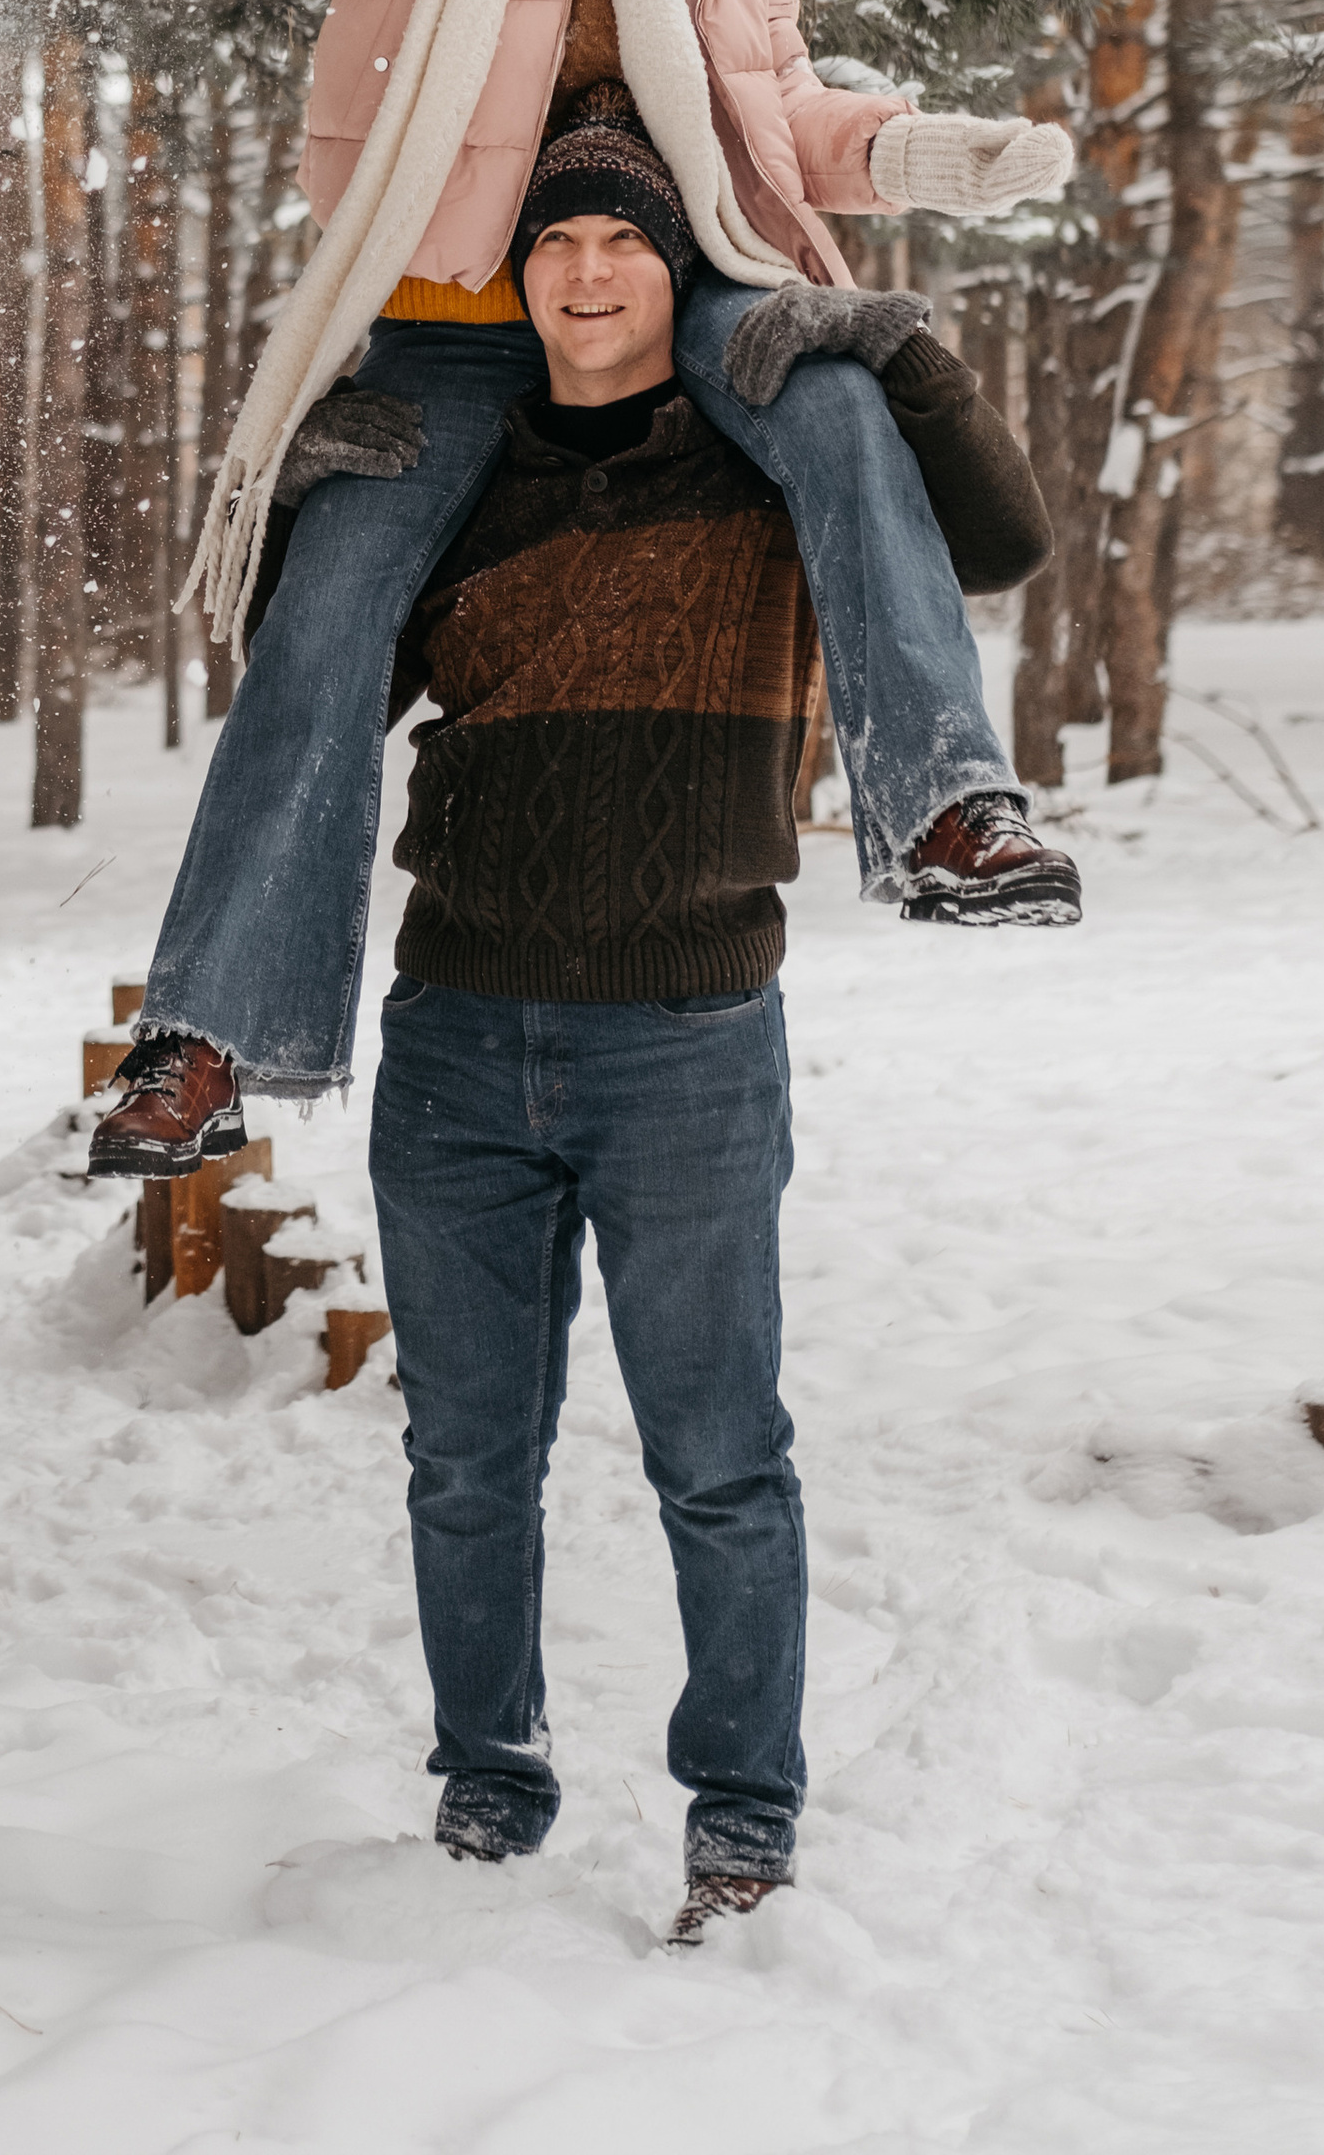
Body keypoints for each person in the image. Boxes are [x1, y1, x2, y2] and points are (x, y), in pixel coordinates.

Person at [94, 0, 1076, 1182]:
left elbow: (769, 98)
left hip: (688, 267)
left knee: (838, 399)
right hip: (457, 309)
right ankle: (210, 1036)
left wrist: (912, 152)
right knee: (331, 599)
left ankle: (945, 806)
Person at [365, 99, 1042, 1938]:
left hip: (685, 1040)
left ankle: (743, 1813)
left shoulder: (772, 469)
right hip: (455, 1033)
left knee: (720, 1460)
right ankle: (487, 1779)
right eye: (557, 245)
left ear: (681, 273)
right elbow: (314, 659)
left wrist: (900, 357)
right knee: (464, 1461)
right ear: (520, 279)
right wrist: (309, 490)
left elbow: (1000, 544)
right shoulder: (467, 478)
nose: (589, 276)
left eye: (625, 244)